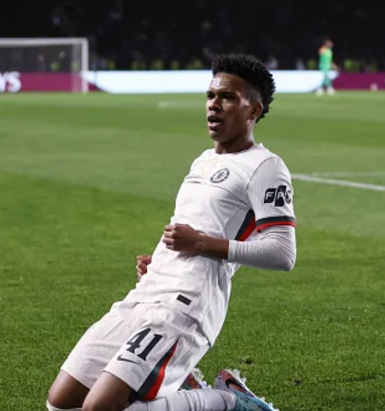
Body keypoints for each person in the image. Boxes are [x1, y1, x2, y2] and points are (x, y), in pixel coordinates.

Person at [46, 53, 297, 411]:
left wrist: (201, 244)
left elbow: (282, 252)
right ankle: (183, 386)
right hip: (148, 292)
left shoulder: (265, 167)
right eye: (210, 95)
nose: (214, 105)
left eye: (227, 97)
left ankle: (230, 402)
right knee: (61, 402)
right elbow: (192, 223)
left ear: (254, 110)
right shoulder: (204, 160)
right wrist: (161, 261)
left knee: (100, 408)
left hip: (188, 304)